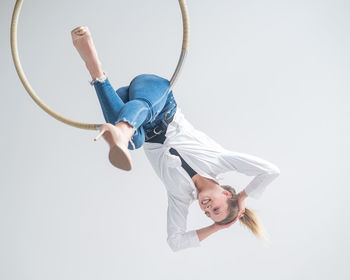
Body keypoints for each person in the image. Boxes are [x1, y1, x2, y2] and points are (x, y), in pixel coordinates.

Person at [71, 26, 281, 252]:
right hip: (155, 96)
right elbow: (270, 171)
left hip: (126, 109)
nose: (207, 210)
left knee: (135, 142)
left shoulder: (179, 197)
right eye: (216, 210)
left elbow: (176, 242)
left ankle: (96, 70)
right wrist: (243, 197)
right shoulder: (221, 161)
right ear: (226, 194)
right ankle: (122, 129)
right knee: (134, 128)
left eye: (207, 214)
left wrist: (218, 226)